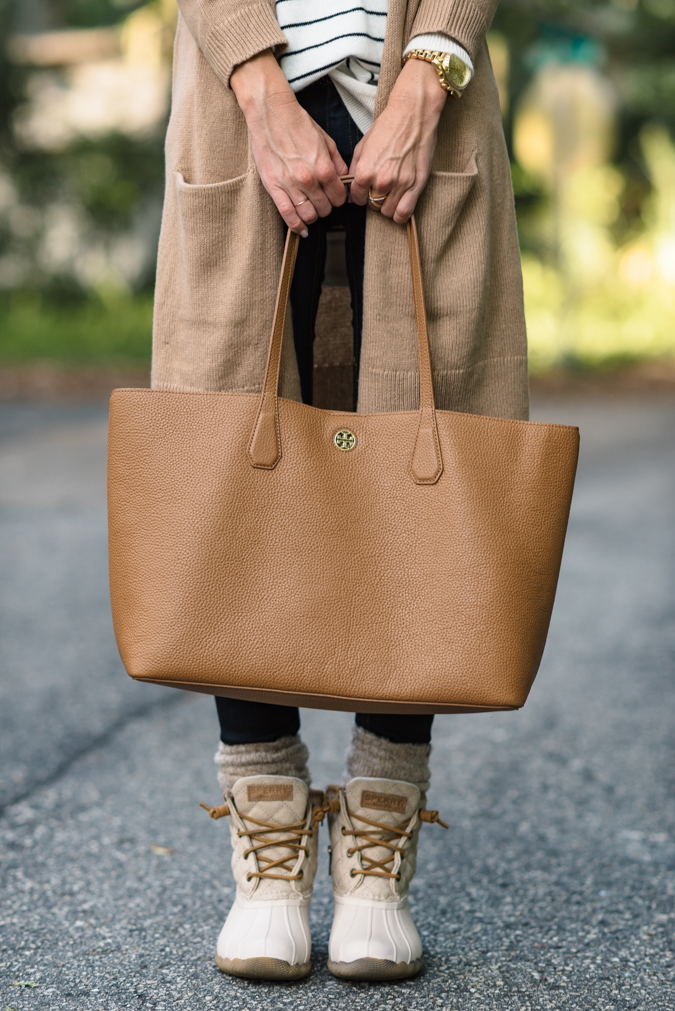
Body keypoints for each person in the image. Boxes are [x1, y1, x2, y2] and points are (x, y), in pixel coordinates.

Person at [152, 0, 528, 983]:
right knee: (237, 458)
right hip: (244, 108)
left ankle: (376, 866)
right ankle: (268, 863)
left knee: (422, 465)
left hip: (422, 107)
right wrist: (258, 84)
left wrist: (431, 67)